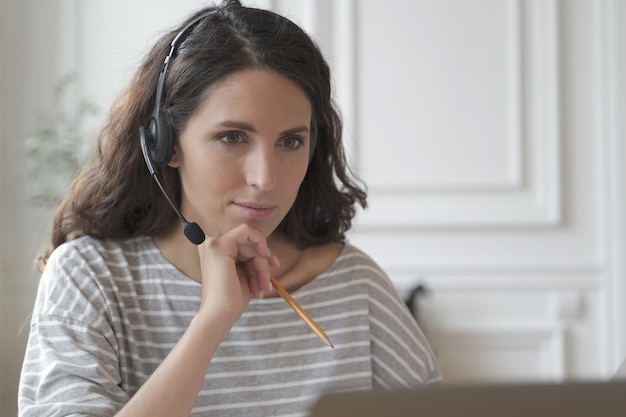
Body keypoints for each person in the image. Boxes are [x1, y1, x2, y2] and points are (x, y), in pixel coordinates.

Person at [18, 1, 442, 416]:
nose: (266, 178)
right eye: (233, 137)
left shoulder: (354, 284)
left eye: (291, 142)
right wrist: (212, 321)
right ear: (165, 145)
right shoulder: (89, 277)